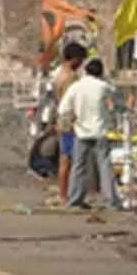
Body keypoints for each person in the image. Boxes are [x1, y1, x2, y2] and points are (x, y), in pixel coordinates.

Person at [58, 58, 121, 210]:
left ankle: (75, 199)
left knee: (78, 166)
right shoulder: (103, 87)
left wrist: (73, 118)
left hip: (81, 131)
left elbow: (63, 109)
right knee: (105, 167)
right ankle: (110, 200)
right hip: (100, 131)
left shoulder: (76, 87)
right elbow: (116, 99)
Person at [51, 42, 87, 202]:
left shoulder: (58, 74)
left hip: (62, 118)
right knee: (69, 159)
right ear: (74, 59)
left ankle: (64, 193)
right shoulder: (70, 77)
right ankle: (65, 194)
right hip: (69, 120)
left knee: (65, 158)